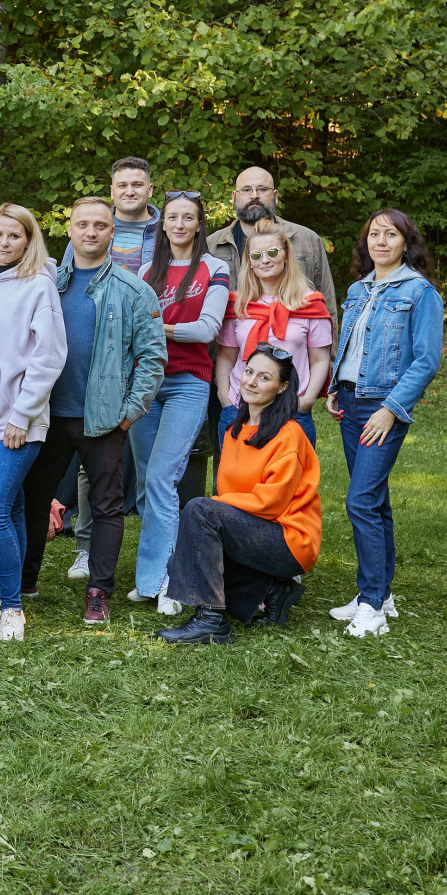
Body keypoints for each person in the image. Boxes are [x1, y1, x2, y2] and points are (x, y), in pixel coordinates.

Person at [17, 198, 166, 624]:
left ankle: (99, 589)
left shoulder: (134, 291)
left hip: (102, 419)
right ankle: (24, 582)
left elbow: (153, 358)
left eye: (100, 225)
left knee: (106, 506)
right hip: (47, 415)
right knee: (31, 498)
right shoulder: (46, 284)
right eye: (82, 224)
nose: (91, 232)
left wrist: (129, 412)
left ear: (112, 232)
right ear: (70, 229)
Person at [325, 209, 444, 638]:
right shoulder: (358, 289)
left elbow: (426, 359)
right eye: (374, 234)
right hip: (351, 403)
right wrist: (336, 386)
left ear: (405, 243)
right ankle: (382, 594)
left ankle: (371, 606)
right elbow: (352, 343)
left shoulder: (420, 292)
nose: (380, 241)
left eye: (390, 234)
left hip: (382, 408)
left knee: (360, 502)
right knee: (375, 501)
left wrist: (391, 408)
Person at [157, 346, 320, 644]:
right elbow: (229, 497)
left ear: (282, 387)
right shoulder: (234, 430)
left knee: (200, 511)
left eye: (264, 377)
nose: (252, 382)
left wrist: (214, 508)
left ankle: (211, 621)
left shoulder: (289, 434)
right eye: (249, 372)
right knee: (191, 558)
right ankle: (271, 591)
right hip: (253, 528)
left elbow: (271, 504)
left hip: (290, 539)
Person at [0, 204, 67, 642]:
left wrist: (22, 414)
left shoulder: (40, 285)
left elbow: (50, 355)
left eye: (14, 236)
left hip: (18, 420)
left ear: (29, 241)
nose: (4, 243)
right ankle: (13, 590)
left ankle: (11, 609)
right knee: (16, 506)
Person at [128, 192, 231, 612]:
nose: (180, 224)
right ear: (163, 223)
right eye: (173, 217)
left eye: (188, 217)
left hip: (189, 382)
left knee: (161, 479)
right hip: (146, 384)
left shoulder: (215, 268)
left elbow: (207, 329)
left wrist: (157, 329)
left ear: (199, 224)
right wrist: (164, 329)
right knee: (144, 482)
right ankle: (151, 578)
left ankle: (167, 580)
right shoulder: (147, 269)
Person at [215, 219, 332, 444]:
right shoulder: (238, 305)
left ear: (286, 255)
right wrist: (224, 397)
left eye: (272, 252)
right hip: (240, 409)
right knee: (236, 477)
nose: (265, 260)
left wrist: (305, 401)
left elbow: (319, 359)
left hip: (291, 411)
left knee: (291, 478)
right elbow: (226, 356)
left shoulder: (309, 303)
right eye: (256, 255)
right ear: (249, 262)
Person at [209, 167, 338, 327]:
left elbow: (327, 306)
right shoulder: (211, 245)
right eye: (247, 189)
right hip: (228, 345)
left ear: (275, 196)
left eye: (262, 189)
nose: (254, 195)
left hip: (293, 345)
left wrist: (330, 352)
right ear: (234, 197)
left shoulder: (307, 240)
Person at [109, 156, 163, 273]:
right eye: (122, 185)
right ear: (112, 192)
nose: (129, 192)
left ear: (150, 190)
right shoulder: (91, 228)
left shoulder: (167, 232)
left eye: (137, 185)